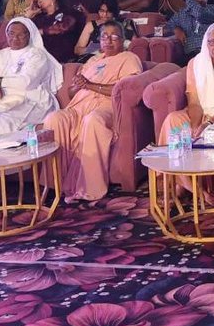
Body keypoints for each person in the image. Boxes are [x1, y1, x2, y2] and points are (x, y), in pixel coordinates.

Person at [40, 19, 143, 201]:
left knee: (93, 120)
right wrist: (78, 85)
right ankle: (53, 183)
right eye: (104, 37)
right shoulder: (93, 60)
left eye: (114, 37)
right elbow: (71, 94)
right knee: (54, 119)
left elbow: (123, 90)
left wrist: (90, 85)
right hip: (80, 105)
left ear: (123, 40)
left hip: (107, 106)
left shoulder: (129, 58)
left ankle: (89, 187)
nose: (108, 41)